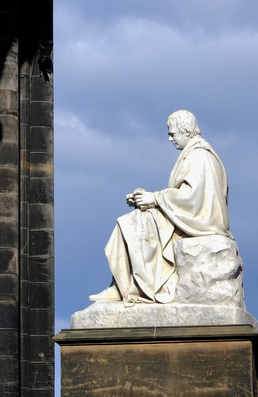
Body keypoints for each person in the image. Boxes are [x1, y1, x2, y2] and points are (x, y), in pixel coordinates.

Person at [90, 110, 232, 306]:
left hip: (200, 223)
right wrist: (146, 199)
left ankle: (131, 287)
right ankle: (125, 284)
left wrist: (155, 198)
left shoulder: (199, 156)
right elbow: (186, 197)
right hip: (190, 218)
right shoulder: (192, 154)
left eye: (172, 134)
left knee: (134, 223)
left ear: (186, 131)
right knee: (137, 219)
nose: (169, 139)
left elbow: (192, 199)